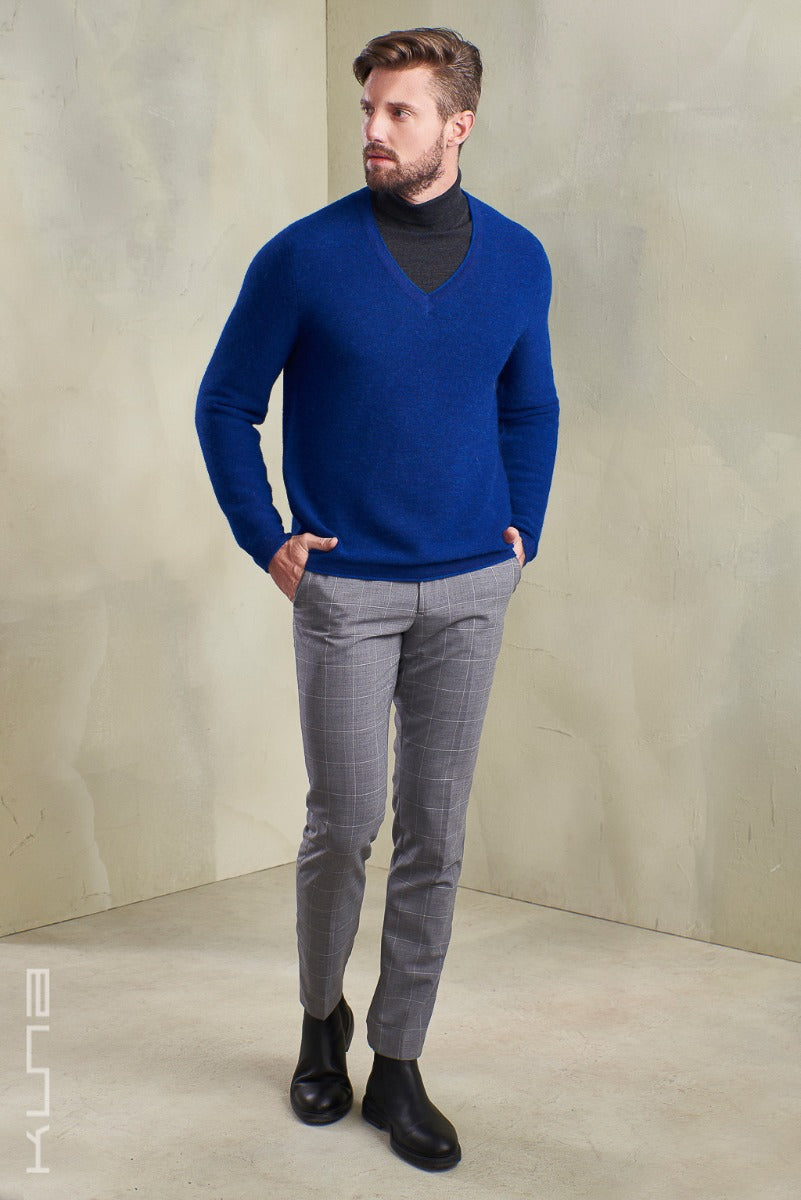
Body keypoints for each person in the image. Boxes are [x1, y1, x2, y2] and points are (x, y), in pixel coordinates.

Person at [195, 25, 559, 1173]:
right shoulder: (305, 258)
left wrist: (522, 529)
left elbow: (531, 405)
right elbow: (225, 402)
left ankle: (398, 1061)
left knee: (435, 839)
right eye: (369, 110)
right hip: (345, 592)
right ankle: (322, 1024)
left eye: (400, 111)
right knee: (343, 824)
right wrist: (270, 543)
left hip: (471, 587)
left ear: (459, 125)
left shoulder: (520, 260)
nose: (374, 130)